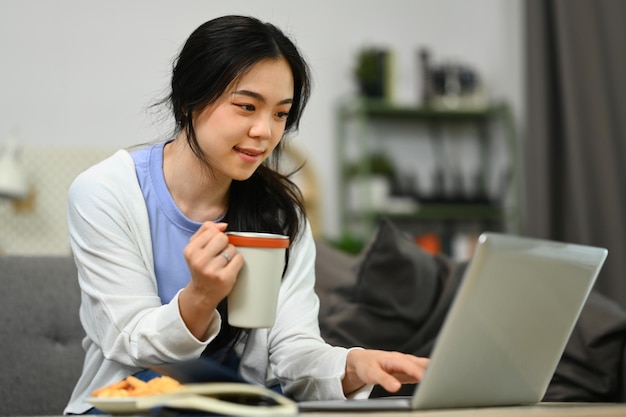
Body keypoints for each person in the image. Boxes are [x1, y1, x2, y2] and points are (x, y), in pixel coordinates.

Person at [64, 15, 429, 414]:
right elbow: (129, 340)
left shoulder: (281, 214)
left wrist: (351, 365)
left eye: (280, 114)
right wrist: (199, 299)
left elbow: (292, 352)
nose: (264, 131)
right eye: (246, 107)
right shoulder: (106, 192)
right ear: (189, 100)